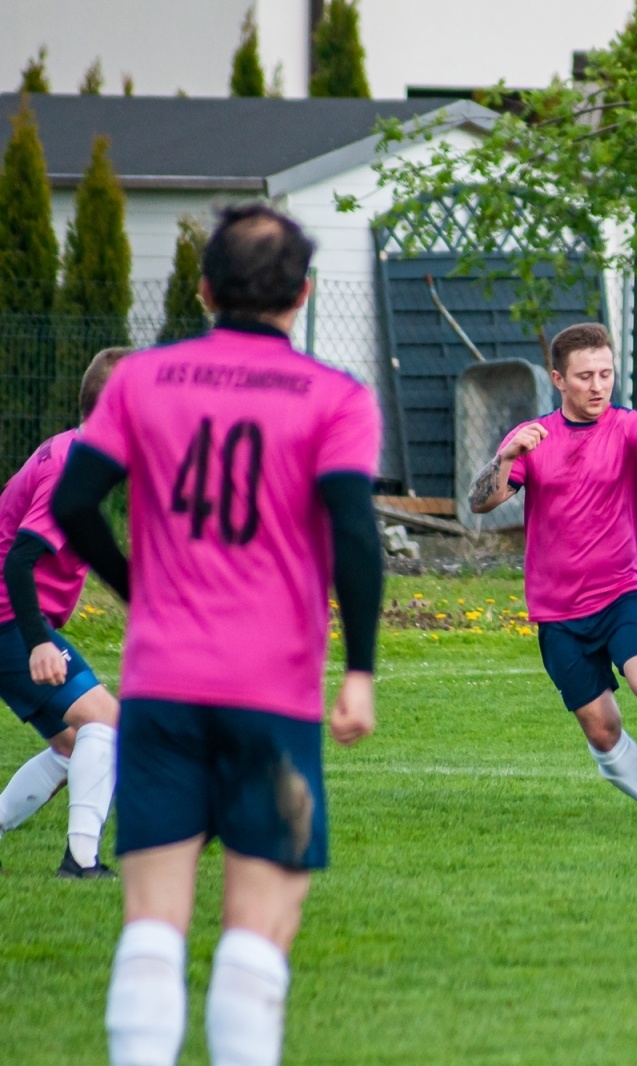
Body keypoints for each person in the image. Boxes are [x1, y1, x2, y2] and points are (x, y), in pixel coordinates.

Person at [52, 203, 385, 1066]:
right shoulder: (336, 398)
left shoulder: (140, 380)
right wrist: (360, 671)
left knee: (152, 927)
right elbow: (354, 533)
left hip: (161, 689)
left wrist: (139, 591)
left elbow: (73, 503)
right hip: (271, 697)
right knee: (256, 939)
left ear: (203, 291)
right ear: (304, 293)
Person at [467, 322, 637, 822]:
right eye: (584, 377)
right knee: (600, 729)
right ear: (558, 379)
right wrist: (504, 457)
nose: (598, 386)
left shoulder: (629, 427)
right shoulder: (532, 439)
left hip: (623, 591)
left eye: (605, 373)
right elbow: (480, 503)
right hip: (557, 612)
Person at [0, 346, 129, 878]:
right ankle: (81, 860)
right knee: (109, 724)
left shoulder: (75, 453)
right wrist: (37, 641)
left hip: (13, 621)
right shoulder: (74, 464)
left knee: (76, 745)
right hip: (10, 622)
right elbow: (21, 558)